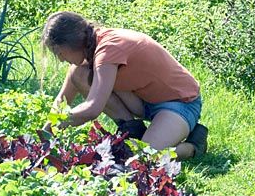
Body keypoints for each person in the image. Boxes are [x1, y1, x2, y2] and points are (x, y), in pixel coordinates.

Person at [41, 11, 208, 160]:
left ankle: (192, 147)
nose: (61, 59)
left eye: (59, 53)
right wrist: (45, 132)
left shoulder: (108, 50)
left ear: (70, 43)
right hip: (143, 100)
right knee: (78, 74)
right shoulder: (92, 47)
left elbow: (93, 109)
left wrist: (58, 123)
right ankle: (133, 131)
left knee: (143, 159)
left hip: (179, 104)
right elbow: (62, 100)